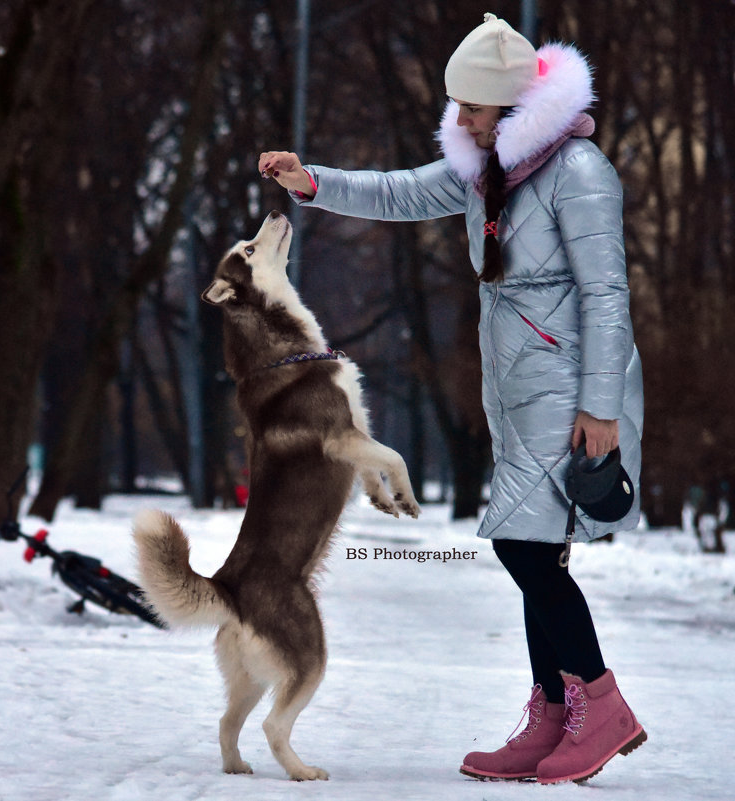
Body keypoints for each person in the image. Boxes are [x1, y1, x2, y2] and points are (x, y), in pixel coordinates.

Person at [259, 11, 646, 785]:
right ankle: (551, 708)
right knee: (534, 546)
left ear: (512, 106)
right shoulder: (488, 167)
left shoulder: (579, 172)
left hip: (569, 381)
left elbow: (607, 294)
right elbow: (402, 192)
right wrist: (313, 183)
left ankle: (597, 701)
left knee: (524, 545)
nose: (458, 120)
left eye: (471, 107)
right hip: (517, 376)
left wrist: (601, 406)